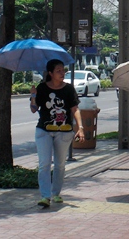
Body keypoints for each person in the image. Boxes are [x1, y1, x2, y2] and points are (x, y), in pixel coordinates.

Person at [30, 59, 85, 208]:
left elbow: (75, 109)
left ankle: (56, 193)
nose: (62, 73)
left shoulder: (68, 89)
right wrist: (33, 96)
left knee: (60, 164)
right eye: (58, 70)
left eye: (63, 70)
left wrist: (80, 127)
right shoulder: (42, 88)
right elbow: (34, 109)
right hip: (44, 130)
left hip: (64, 131)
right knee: (44, 164)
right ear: (50, 73)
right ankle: (45, 196)